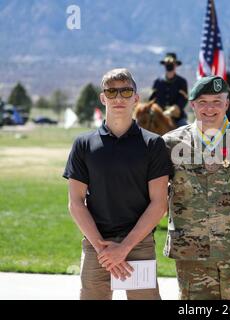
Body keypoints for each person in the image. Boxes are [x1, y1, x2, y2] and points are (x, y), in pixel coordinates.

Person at [63, 68, 172, 300]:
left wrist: (123, 249)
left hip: (139, 244)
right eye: (112, 92)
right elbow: (75, 202)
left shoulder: (153, 145)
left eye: (126, 91)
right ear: (103, 98)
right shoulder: (83, 144)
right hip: (96, 245)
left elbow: (159, 203)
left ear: (136, 98)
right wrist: (103, 249)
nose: (119, 98)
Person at [163, 75, 230, 300]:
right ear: (192, 105)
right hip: (192, 253)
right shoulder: (169, 144)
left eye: (217, 101)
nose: (209, 108)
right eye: (202, 102)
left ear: (227, 104)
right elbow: (154, 195)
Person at [149, 53, 189, 127]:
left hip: (177, 117)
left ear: (176, 65)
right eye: (167, 64)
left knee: (186, 131)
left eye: (171, 64)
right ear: (164, 65)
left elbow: (184, 99)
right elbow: (152, 99)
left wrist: (173, 109)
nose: (169, 66)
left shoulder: (182, 81)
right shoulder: (157, 81)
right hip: (158, 116)